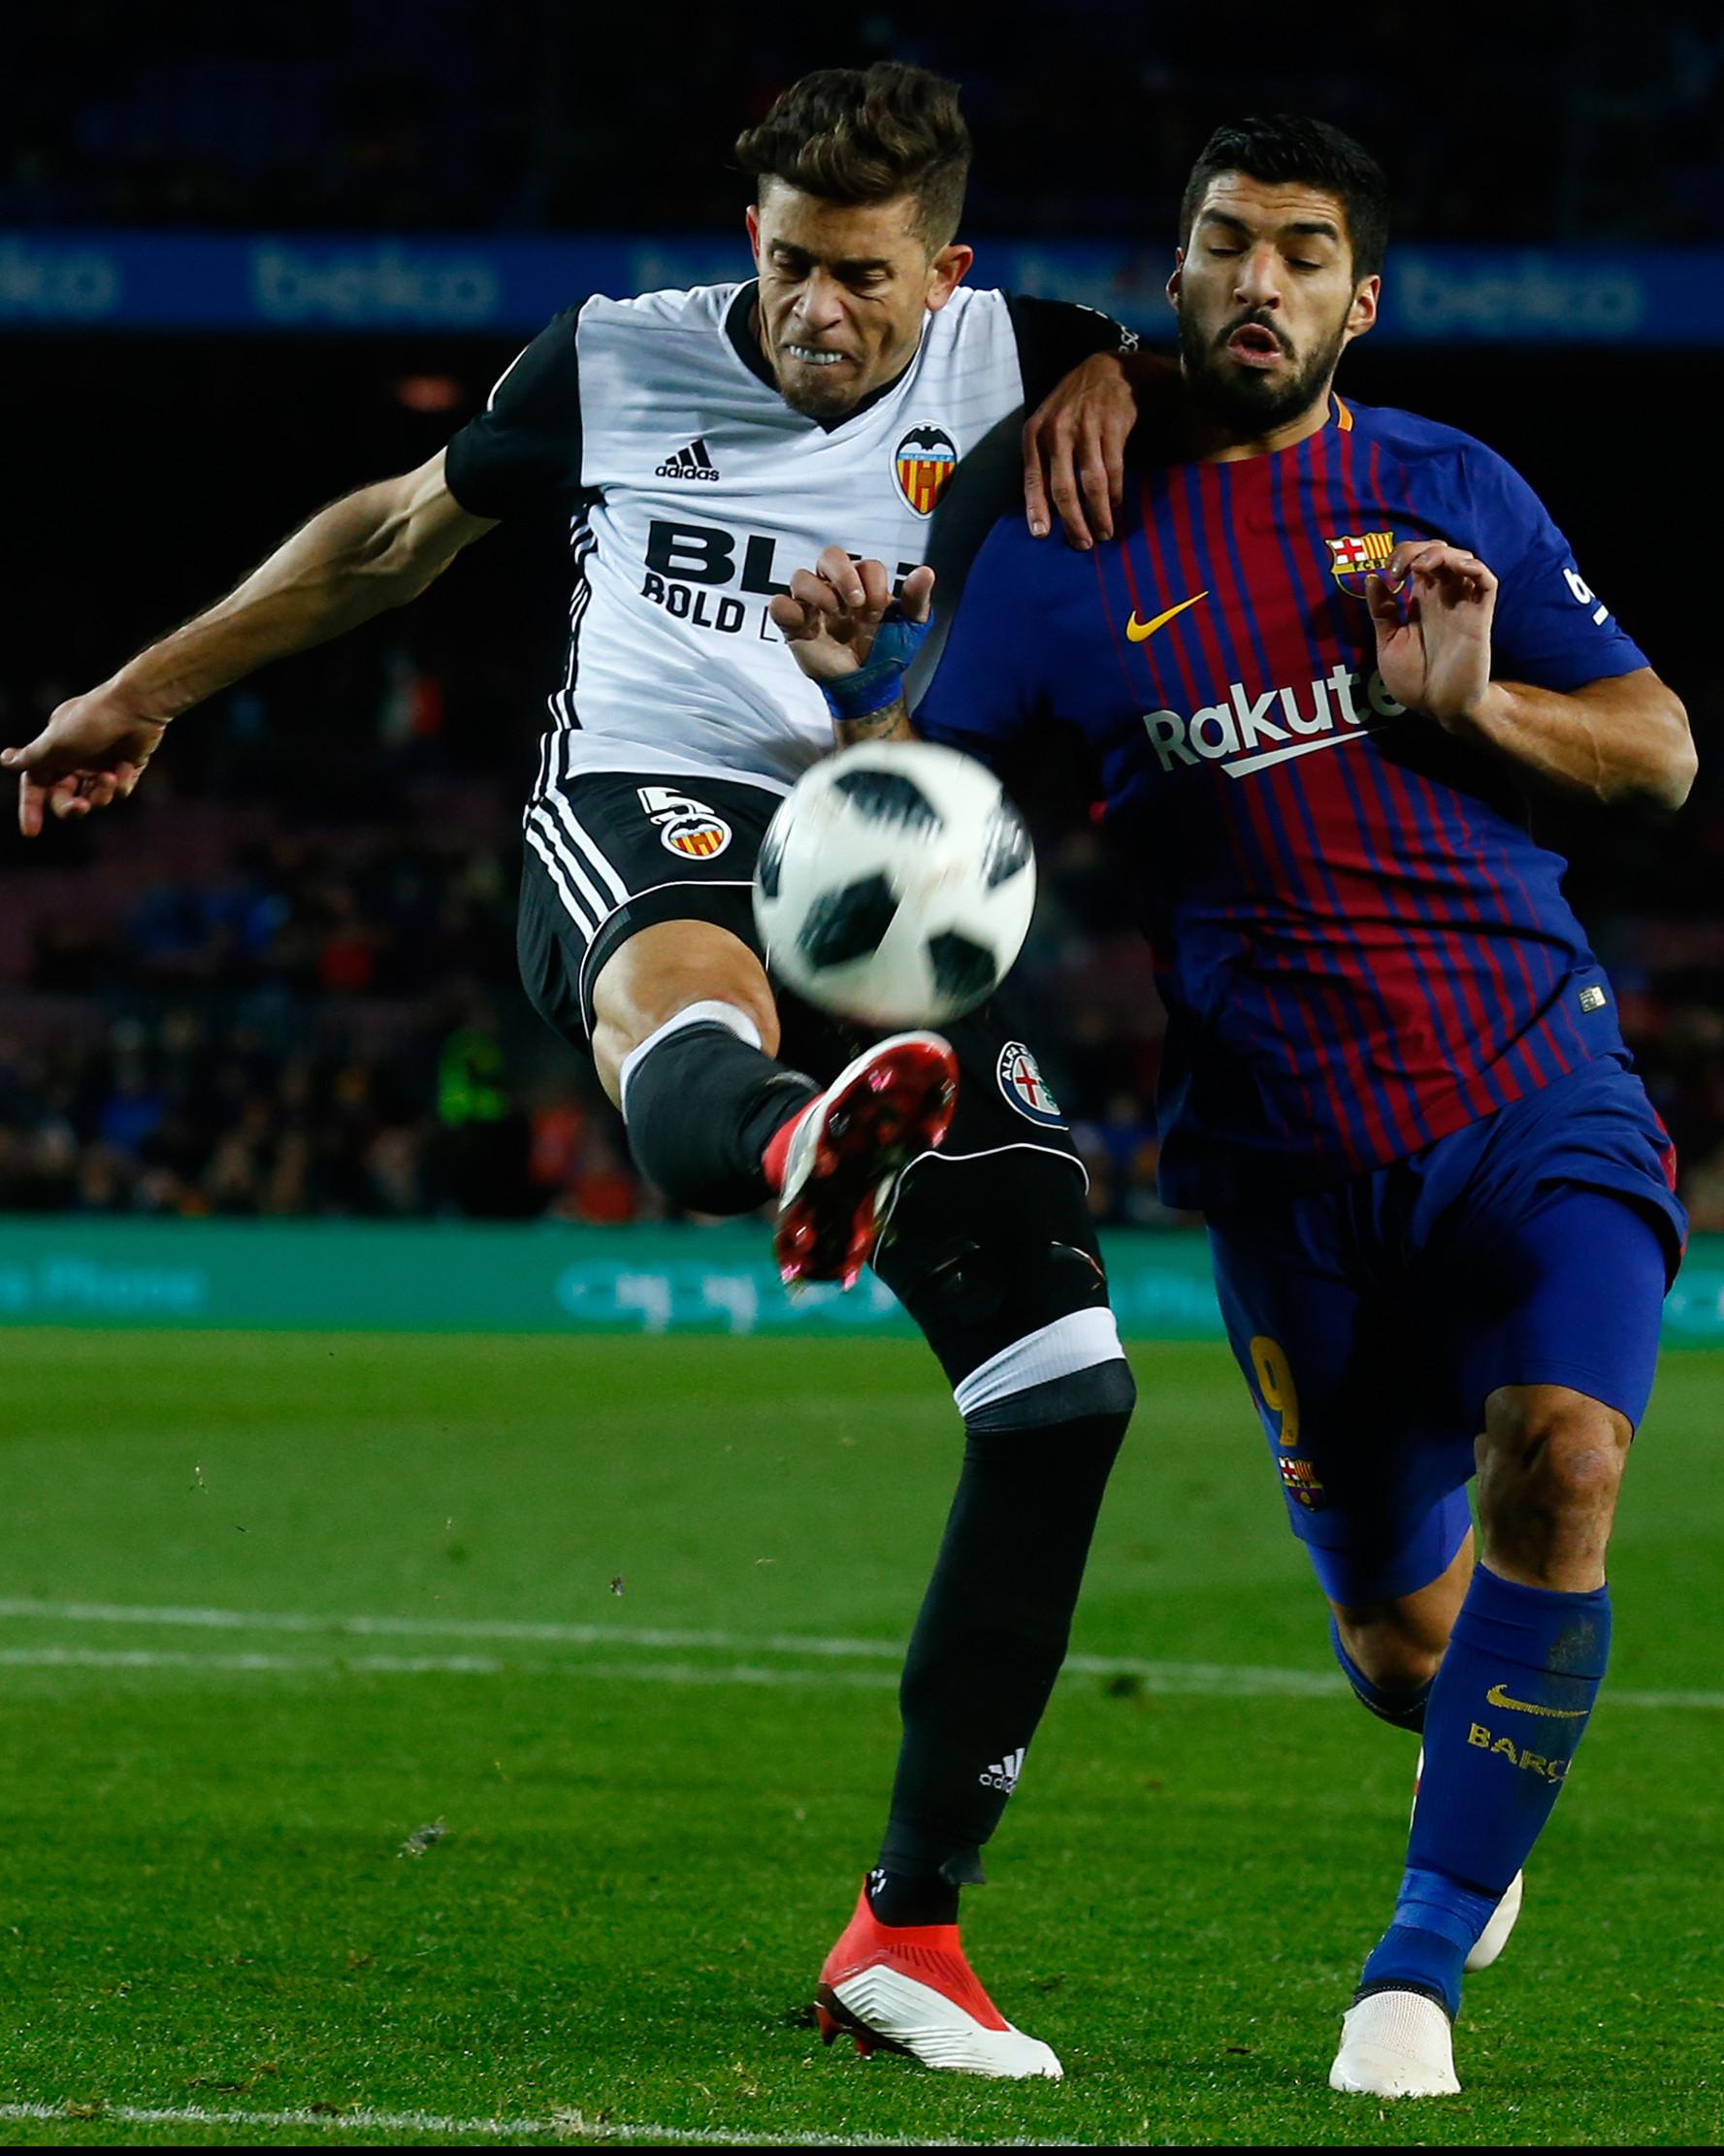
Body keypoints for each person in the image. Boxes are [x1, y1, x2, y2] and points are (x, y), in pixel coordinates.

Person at [6, 61, 1161, 2082]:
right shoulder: (613, 362)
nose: (820, 309)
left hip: (886, 858)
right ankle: (796, 1129)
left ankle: (905, 1933)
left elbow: (1246, 369)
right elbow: (386, 542)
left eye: (865, 279)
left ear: (947, 274)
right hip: (648, 809)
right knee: (690, 996)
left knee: (1063, 1388)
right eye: (791, 264)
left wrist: (1126, 367)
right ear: (749, 245)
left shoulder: (1026, 358)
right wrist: (137, 691)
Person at [771, 114, 1695, 2099]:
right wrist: (851, 707)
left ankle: (1413, 1970)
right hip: (1284, 1170)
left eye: (1299, 250)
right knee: (1402, 1654)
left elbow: (1657, 750)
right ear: (1172, 282)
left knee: (1567, 1459)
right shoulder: (1055, 564)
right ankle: (1467, 1784)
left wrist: (1471, 707)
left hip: (1538, 1091)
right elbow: (920, 848)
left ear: (1359, 298)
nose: (1256, 279)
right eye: (1221, 245)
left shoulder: (1443, 488)